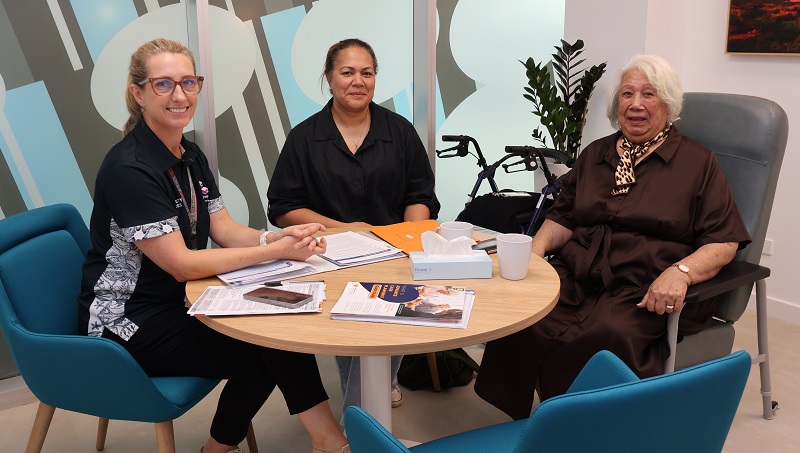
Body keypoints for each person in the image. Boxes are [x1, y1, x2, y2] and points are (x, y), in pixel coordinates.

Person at [78, 38, 349, 453]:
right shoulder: (129, 168)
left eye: (189, 82)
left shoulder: (188, 152)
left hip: (178, 300)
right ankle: (326, 441)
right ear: (139, 93)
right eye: (164, 84)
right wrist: (276, 252)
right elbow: (182, 265)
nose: (180, 95)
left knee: (274, 333)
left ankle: (244, 447)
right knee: (268, 347)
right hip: (128, 321)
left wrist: (275, 237)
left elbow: (223, 228)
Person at [473, 53, 751, 420]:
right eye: (627, 94)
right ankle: (537, 423)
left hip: (645, 289)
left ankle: (592, 427)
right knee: (522, 319)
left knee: (602, 339)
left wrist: (680, 274)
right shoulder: (596, 155)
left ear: (667, 104)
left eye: (648, 95)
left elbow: (723, 240)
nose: (635, 104)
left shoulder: (697, 164)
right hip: (577, 277)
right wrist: (536, 248)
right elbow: (564, 215)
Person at [267, 38, 440, 415]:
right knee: (352, 322)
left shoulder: (400, 131)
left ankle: (370, 401)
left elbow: (420, 194)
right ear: (329, 79)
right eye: (347, 72)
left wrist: (409, 240)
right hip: (327, 255)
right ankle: (365, 415)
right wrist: (345, 229)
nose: (357, 81)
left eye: (367, 72)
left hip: (395, 252)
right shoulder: (304, 138)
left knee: (397, 305)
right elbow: (282, 208)